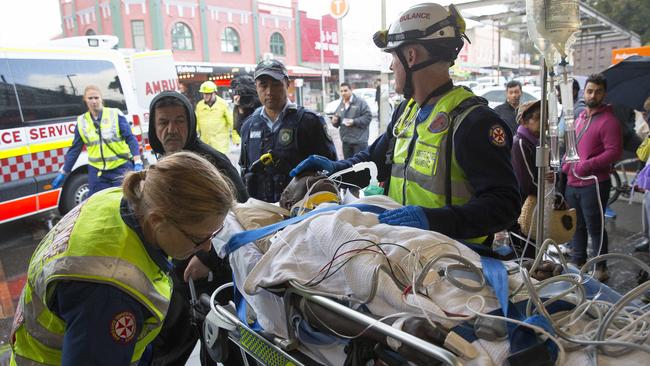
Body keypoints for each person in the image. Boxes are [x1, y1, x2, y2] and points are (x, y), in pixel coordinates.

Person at [290, 3, 521, 245]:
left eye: (393, 56)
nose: (391, 66)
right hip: (403, 251)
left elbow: (504, 204)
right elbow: (372, 161)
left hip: (454, 264)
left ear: (411, 56)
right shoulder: (406, 111)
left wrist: (434, 220)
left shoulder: (472, 121)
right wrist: (334, 170)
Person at [10, 151, 234, 366]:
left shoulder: (115, 199)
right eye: (199, 238)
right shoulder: (111, 292)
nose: (206, 246)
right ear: (157, 221)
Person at [146, 91, 248, 366]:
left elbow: (242, 217)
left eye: (180, 121)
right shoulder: (162, 165)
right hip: (178, 276)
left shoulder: (211, 164)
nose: (171, 129)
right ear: (153, 129)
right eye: (163, 122)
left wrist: (208, 256)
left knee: (222, 346)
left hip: (212, 276)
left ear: (191, 124)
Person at [239, 59, 337, 203]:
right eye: (263, 85)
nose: (269, 91)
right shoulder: (248, 125)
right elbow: (244, 170)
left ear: (287, 84)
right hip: (261, 212)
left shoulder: (309, 122)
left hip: (301, 212)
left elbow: (331, 170)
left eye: (276, 84)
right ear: (256, 87)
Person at [561, 73, 622, 281]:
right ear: (584, 93)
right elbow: (572, 146)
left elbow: (614, 152)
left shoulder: (609, 121)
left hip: (593, 183)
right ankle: (578, 259)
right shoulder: (579, 118)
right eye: (590, 90)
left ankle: (600, 267)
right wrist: (563, 164)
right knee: (575, 224)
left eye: (597, 91)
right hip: (573, 181)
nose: (593, 95)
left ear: (604, 94)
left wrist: (587, 165)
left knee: (595, 226)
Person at [52, 85, 142, 195]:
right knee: (99, 203)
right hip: (97, 172)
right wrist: (64, 171)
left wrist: (137, 161)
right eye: (90, 98)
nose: (94, 101)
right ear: (85, 100)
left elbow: (130, 138)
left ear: (101, 98)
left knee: (124, 202)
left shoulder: (114, 114)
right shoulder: (82, 121)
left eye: (96, 97)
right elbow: (75, 149)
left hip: (120, 167)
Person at [331, 82, 373, 158]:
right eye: (341, 91)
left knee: (360, 166)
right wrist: (335, 121)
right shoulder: (341, 104)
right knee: (348, 167)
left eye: (345, 90)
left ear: (351, 90)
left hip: (359, 142)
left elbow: (368, 117)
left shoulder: (360, 102)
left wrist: (354, 121)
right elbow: (338, 121)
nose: (343, 93)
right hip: (346, 142)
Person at [195, 80, 239, 153]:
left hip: (220, 145)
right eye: (204, 93)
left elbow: (232, 122)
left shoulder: (223, 104)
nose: (205, 96)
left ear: (214, 93)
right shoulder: (200, 105)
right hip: (205, 144)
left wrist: (236, 137)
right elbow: (196, 122)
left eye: (208, 94)